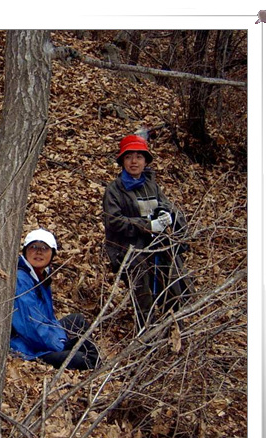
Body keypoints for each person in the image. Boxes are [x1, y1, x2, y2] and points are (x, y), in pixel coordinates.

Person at [102, 134, 193, 331]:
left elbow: (167, 205)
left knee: (174, 285)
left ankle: (174, 331)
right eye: (128, 157)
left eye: (139, 157)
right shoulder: (114, 190)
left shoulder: (152, 185)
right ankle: (144, 333)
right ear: (122, 161)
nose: (134, 162)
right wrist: (148, 226)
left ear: (145, 161)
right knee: (143, 294)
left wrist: (167, 215)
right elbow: (114, 221)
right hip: (129, 249)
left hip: (158, 246)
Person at [11, 229, 99, 370]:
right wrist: (61, 343)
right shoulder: (21, 279)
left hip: (43, 338)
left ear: (52, 254)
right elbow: (30, 328)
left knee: (78, 321)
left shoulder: (41, 275)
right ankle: (93, 364)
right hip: (28, 348)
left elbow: (48, 319)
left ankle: (96, 363)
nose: (38, 252)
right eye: (33, 247)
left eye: (44, 248)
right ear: (25, 251)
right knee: (79, 359)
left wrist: (58, 336)